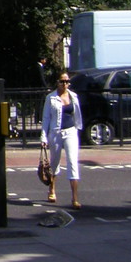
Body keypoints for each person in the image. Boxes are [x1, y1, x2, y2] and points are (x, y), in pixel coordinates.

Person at [41, 71, 83, 208]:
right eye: (62, 81)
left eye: (67, 81)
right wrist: (44, 137)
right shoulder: (51, 98)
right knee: (55, 163)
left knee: (72, 162)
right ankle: (52, 190)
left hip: (70, 131)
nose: (65, 84)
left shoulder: (73, 96)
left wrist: (78, 128)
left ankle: (75, 198)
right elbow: (46, 118)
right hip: (56, 133)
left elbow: (76, 114)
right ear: (57, 82)